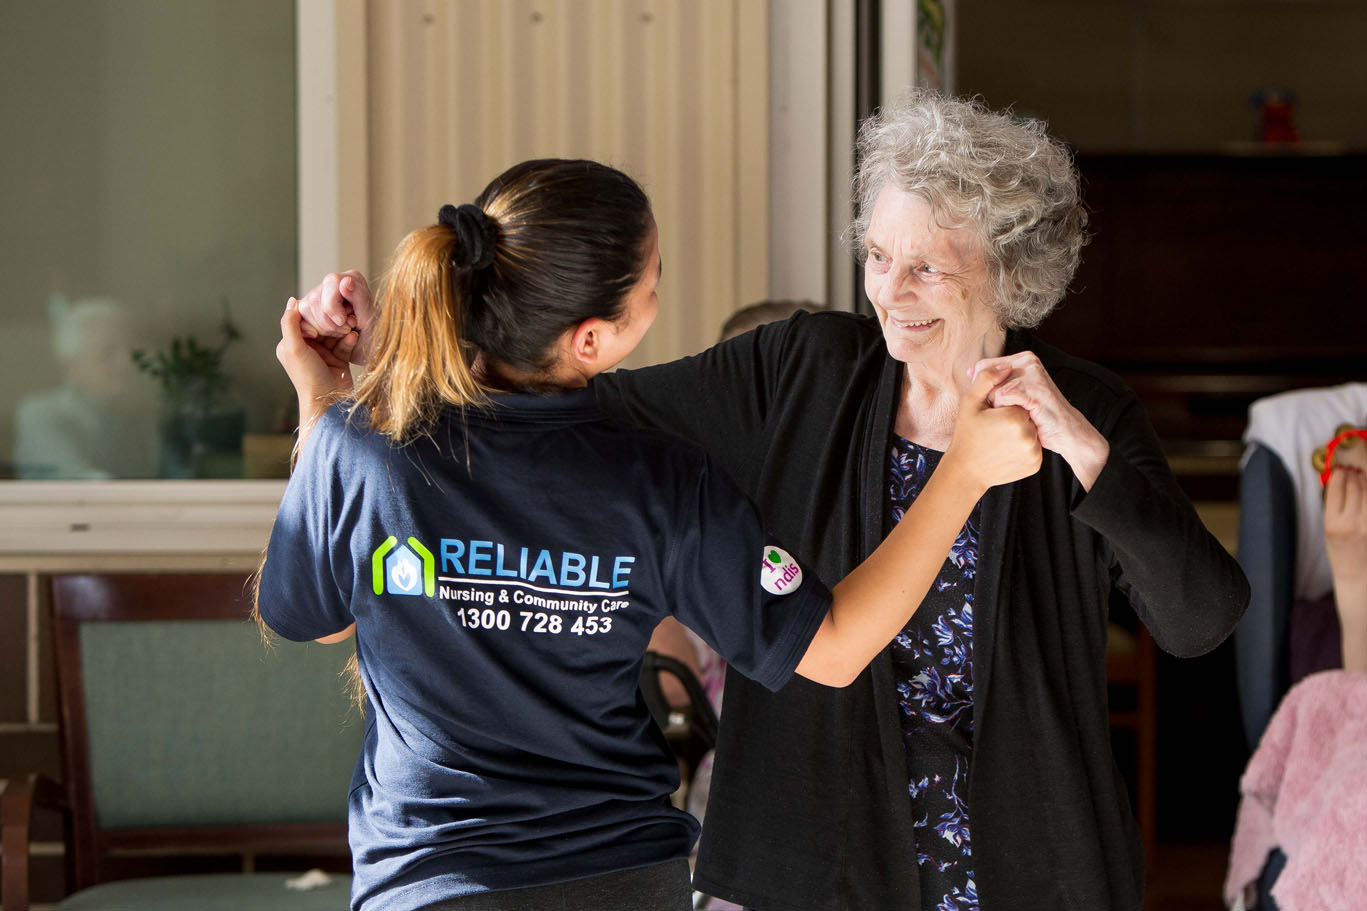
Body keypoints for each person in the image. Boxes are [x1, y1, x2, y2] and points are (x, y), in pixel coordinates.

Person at [296, 91, 1250, 911]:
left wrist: (1084, 452)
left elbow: (1201, 619)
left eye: (926, 267)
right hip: (817, 854)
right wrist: (389, 357)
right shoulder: (803, 368)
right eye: (876, 255)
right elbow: (570, 401)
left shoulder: (1088, 410)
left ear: (1007, 268)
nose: (890, 292)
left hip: (1030, 860)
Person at [258, 157, 1040, 911]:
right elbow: (831, 649)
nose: (657, 296)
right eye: (652, 285)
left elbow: (319, 621)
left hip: (428, 880)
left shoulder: (358, 446)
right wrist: (962, 471)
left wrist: (324, 398)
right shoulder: (665, 481)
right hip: (619, 879)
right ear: (591, 340)